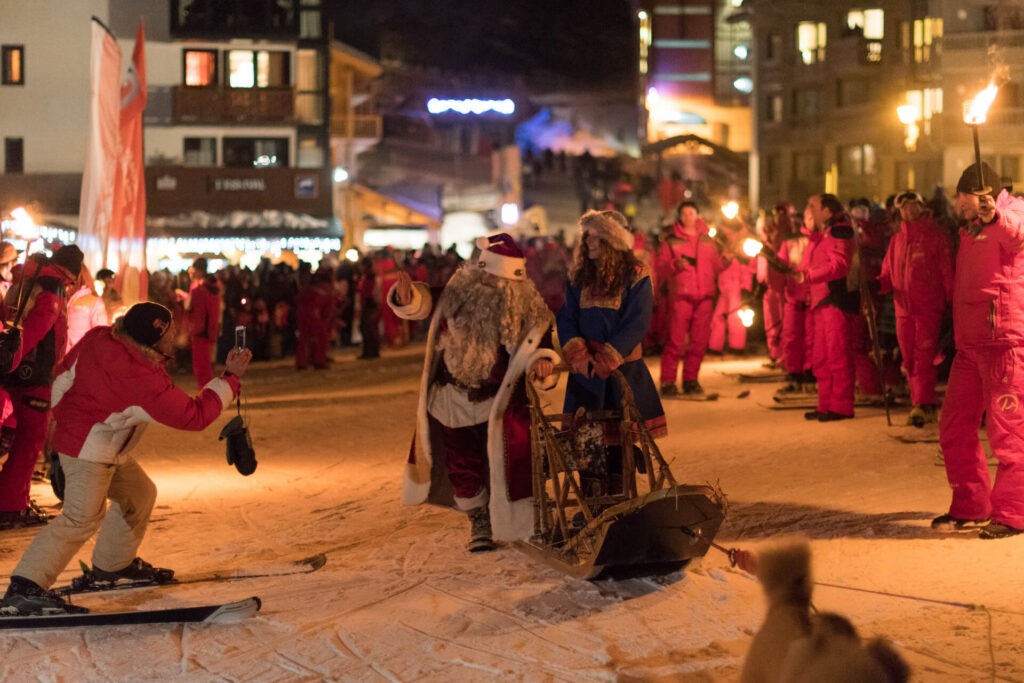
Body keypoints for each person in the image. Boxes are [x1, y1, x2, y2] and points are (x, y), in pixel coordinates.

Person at [0, 302, 252, 615]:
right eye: (170, 330)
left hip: (97, 442)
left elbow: (62, 374)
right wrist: (229, 378)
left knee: (139, 494)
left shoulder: (100, 336)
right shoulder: (141, 378)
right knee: (80, 519)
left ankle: (111, 565)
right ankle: (24, 588)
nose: (175, 334)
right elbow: (194, 416)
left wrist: (65, 418)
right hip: (88, 450)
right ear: (153, 338)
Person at [388, 234, 555, 552]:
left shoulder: (525, 306)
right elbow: (425, 301)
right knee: (463, 464)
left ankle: (519, 520)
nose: (488, 282)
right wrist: (407, 296)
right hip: (452, 399)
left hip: (499, 401)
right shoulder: (459, 291)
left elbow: (539, 340)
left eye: (496, 277)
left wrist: (543, 362)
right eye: (486, 273)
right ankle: (479, 518)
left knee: (509, 460)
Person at [935, 162, 1024, 539]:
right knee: (954, 425)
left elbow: (1016, 233)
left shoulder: (1012, 213)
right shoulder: (971, 229)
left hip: (1003, 342)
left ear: (981, 195)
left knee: (1010, 433)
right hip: (970, 346)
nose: (958, 206)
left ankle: (1014, 512)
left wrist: (995, 215)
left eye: (962, 198)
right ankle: (971, 505)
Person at [558, 211, 666, 492]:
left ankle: (619, 502)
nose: (588, 241)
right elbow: (567, 317)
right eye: (587, 235)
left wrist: (609, 357)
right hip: (587, 375)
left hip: (622, 372)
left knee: (620, 445)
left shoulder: (637, 274)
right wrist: (578, 354)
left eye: (595, 235)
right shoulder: (578, 277)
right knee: (586, 444)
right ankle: (592, 505)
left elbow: (637, 321)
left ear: (612, 239)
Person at [0, 245, 83, 529]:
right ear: (71, 273)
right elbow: (38, 328)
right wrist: (17, 361)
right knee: (29, 442)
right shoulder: (53, 286)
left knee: (16, 438)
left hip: (12, 374)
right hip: (33, 376)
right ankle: (9, 506)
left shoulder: (26, 279)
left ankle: (14, 499)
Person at [878, 191, 954, 427]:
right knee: (909, 356)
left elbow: (946, 272)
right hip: (903, 309)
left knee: (923, 356)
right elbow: (887, 273)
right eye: (904, 208)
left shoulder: (935, 237)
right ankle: (918, 401)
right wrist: (877, 283)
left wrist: (954, 300)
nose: (908, 211)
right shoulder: (897, 240)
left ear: (921, 207)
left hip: (927, 307)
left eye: (913, 206)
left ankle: (925, 402)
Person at [793, 194, 857, 422]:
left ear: (827, 212)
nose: (809, 210)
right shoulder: (825, 235)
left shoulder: (841, 232)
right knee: (821, 356)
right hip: (822, 302)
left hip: (835, 301)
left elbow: (839, 265)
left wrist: (809, 276)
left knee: (837, 354)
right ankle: (825, 403)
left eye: (813, 206)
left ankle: (841, 405)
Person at [656, 201, 728, 396]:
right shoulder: (671, 241)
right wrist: (674, 264)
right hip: (681, 296)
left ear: (697, 215)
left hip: (704, 296)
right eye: (685, 213)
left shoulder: (707, 240)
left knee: (699, 341)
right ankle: (668, 381)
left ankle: (691, 379)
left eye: (691, 213)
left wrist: (726, 261)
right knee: (675, 341)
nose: (688, 216)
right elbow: (660, 267)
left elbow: (715, 265)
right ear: (680, 216)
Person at [178, 258, 220, 387]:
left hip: (200, 331)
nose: (191, 273)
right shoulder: (212, 287)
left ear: (198, 271)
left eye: (192, 270)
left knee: (201, 367)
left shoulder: (198, 289)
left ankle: (205, 395)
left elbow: (194, 309)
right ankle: (207, 392)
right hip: (209, 330)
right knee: (206, 365)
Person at [66, 265, 110, 352]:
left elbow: (101, 335)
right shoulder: (62, 297)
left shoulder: (94, 302)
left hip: (79, 357)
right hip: (61, 357)